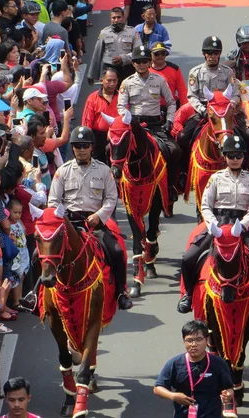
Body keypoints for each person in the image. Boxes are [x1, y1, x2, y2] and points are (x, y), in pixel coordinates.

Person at [177, 135, 249, 315]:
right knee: (189, 258)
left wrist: (244, 225)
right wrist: (212, 224)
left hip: (242, 226)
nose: (235, 159)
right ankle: (188, 295)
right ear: (224, 156)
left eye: (238, 155)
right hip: (218, 224)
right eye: (231, 155)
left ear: (243, 157)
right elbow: (205, 205)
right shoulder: (215, 178)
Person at [48, 126, 133, 310]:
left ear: (92, 147)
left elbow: (112, 198)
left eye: (85, 145)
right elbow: (53, 202)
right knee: (42, 254)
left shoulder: (103, 171)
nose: (81, 149)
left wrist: (99, 215)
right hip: (68, 223)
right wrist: (62, 220)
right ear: (72, 148)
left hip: (93, 223)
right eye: (77, 146)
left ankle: (120, 292)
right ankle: (36, 294)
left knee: (117, 251)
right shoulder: (62, 172)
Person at [181, 36, 249, 175]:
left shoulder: (228, 72)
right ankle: (184, 172)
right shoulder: (195, 72)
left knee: (248, 135)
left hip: (225, 112)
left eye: (215, 53)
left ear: (219, 54)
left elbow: (236, 91)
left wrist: (232, 103)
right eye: (209, 53)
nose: (212, 56)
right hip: (204, 111)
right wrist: (202, 110)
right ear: (204, 54)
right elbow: (192, 95)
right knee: (183, 137)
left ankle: (246, 169)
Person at [117, 45, 181, 202]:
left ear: (149, 62)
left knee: (175, 150)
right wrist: (127, 121)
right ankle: (116, 185)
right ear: (133, 64)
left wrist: (170, 121)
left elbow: (171, 102)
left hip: (155, 126)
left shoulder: (160, 80)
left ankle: (171, 186)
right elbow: (120, 106)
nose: (141, 64)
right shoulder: (127, 83)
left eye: (145, 61)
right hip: (134, 126)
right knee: (112, 150)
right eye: (138, 61)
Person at [153, 320, 235, 418]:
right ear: (184, 341)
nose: (194, 344)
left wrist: (228, 394)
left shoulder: (218, 363)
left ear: (207, 340)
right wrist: (173, 396)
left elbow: (229, 388)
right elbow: (157, 388)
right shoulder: (174, 363)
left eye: (198, 339)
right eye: (189, 340)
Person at [87, 7, 142, 86]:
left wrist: (123, 58)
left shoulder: (133, 32)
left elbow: (138, 52)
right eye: (114, 17)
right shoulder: (104, 33)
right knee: (108, 95)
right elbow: (97, 54)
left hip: (127, 69)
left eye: (119, 17)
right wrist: (91, 74)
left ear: (123, 18)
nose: (116, 20)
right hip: (109, 70)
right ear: (110, 19)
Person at [81, 67, 120, 164]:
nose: (112, 84)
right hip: (97, 139)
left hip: (117, 137)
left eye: (114, 81)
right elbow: (87, 122)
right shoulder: (93, 98)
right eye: (109, 80)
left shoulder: (122, 97)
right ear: (102, 81)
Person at [149, 41, 188, 110]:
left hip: (171, 108)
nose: (160, 56)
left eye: (163, 53)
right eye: (156, 54)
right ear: (151, 55)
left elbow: (182, 91)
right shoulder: (146, 69)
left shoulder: (175, 69)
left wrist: (186, 109)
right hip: (150, 109)